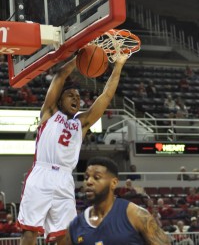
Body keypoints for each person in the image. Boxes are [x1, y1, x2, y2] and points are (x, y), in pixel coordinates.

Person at [17, 54, 128, 245]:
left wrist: (118, 65)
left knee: (65, 236)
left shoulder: (81, 123)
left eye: (78, 96)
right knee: (30, 233)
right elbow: (60, 75)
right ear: (60, 100)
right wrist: (80, 57)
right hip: (42, 173)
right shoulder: (49, 112)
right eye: (71, 95)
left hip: (65, 179)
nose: (76, 98)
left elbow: (107, 95)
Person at [65, 156, 171, 245]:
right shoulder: (76, 225)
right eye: (86, 177)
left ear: (114, 183)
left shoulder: (135, 214)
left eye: (96, 177)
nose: (89, 182)